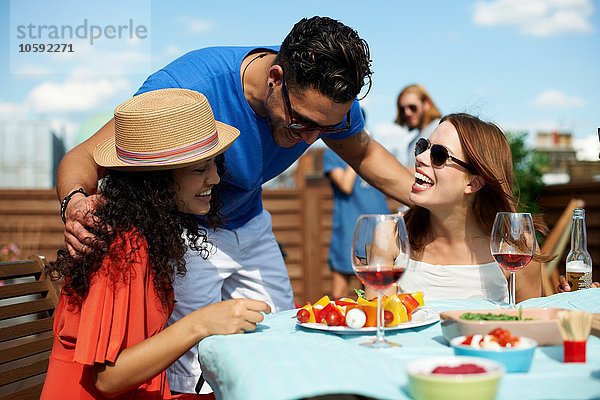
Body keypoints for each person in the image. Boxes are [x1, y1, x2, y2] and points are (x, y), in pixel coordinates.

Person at [55, 16, 414, 394]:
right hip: (183, 231)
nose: (310, 138)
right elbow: (85, 156)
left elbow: (364, 153)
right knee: (193, 368)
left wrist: (432, 195)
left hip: (251, 222)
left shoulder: (323, 107)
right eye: (301, 123)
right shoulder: (187, 90)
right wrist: (76, 203)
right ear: (275, 78)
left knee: (281, 337)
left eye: (324, 130)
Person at [41, 89, 271, 400]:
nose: (215, 178)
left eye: (215, 164)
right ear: (157, 180)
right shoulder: (122, 244)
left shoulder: (146, 235)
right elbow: (108, 378)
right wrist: (202, 322)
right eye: (200, 169)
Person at [370, 113, 549, 303]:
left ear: (473, 182)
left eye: (438, 155)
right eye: (423, 146)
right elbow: (380, 322)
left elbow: (529, 323)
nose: (420, 158)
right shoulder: (390, 235)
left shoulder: (516, 245)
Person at [324, 146, 390, 299]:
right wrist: (356, 153)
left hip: (377, 229)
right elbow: (345, 185)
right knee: (338, 293)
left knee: (373, 292)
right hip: (348, 228)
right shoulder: (332, 153)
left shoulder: (374, 151)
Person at [394, 84, 441, 168]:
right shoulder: (411, 143)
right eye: (402, 109)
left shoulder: (440, 128)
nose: (407, 113)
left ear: (427, 104)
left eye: (412, 107)